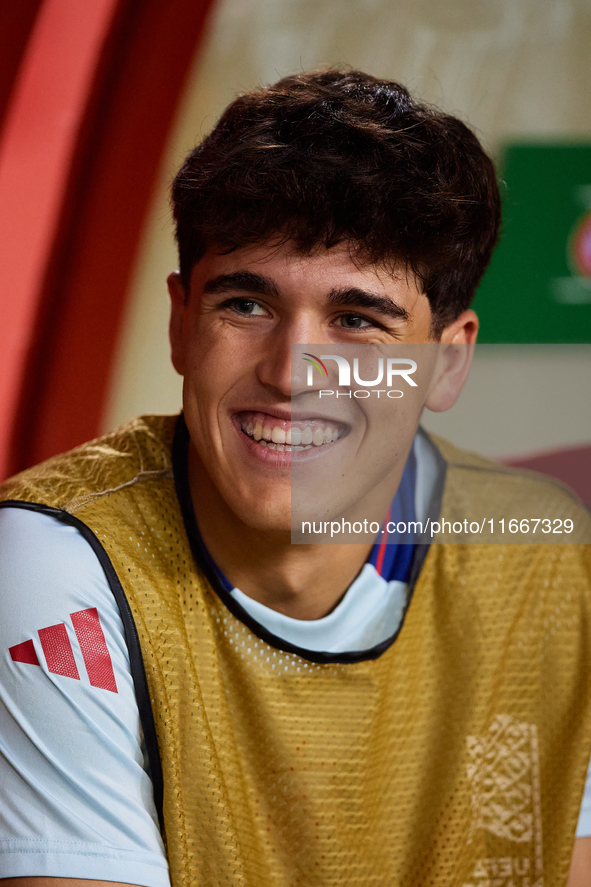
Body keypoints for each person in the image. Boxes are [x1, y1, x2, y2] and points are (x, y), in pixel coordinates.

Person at [0, 69, 590, 887]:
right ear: (180, 324)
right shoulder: (53, 563)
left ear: (446, 362)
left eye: (355, 321)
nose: (290, 372)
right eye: (245, 304)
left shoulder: (544, 567)